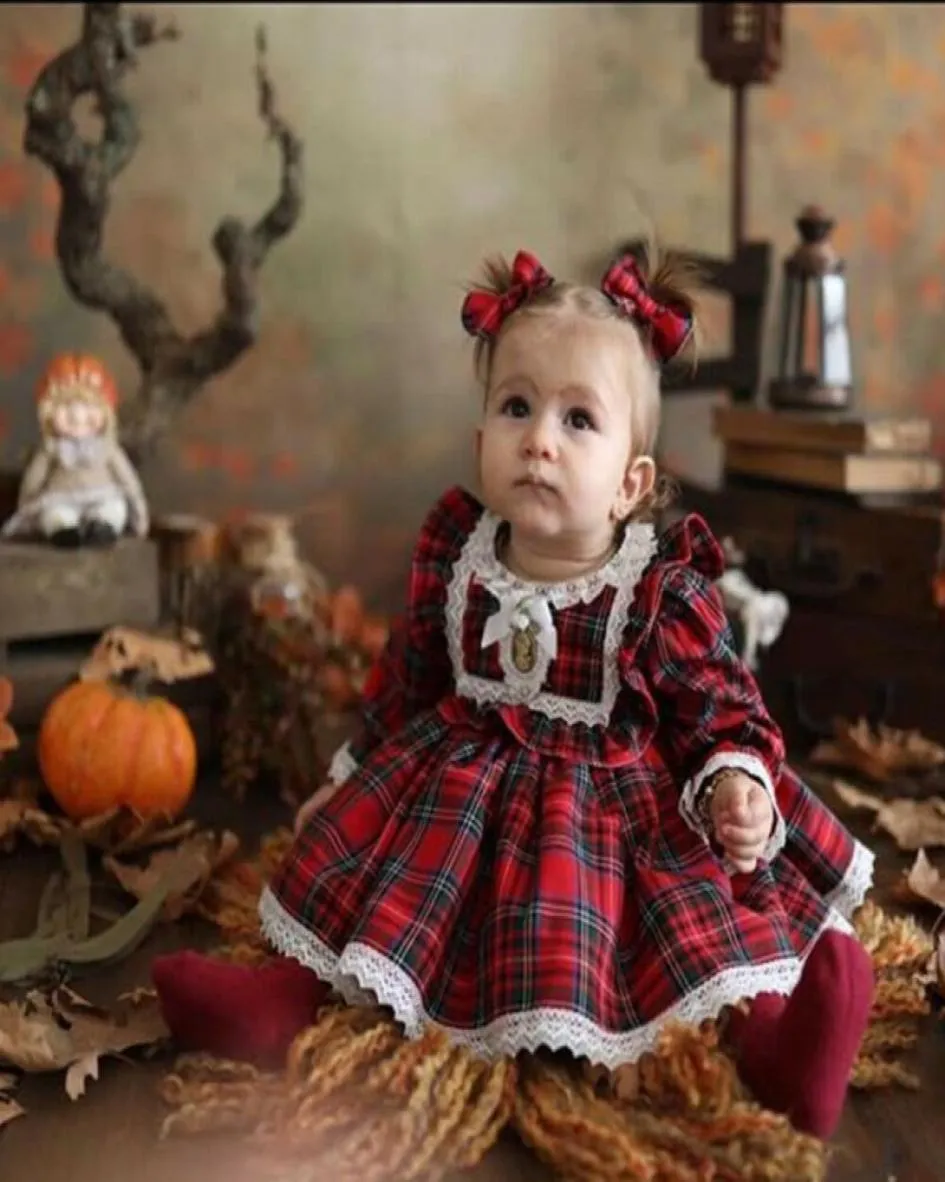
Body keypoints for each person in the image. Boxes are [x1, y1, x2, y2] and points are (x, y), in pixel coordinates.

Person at [152, 247, 875, 1140]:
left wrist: (737, 781)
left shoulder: (657, 587)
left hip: (615, 819)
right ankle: (282, 1002)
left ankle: (776, 1046)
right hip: (459, 805)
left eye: (579, 420)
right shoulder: (456, 550)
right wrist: (346, 778)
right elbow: (405, 684)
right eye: (516, 407)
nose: (539, 438)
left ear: (629, 484)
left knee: (696, 930)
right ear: (480, 442)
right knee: (370, 895)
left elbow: (720, 704)